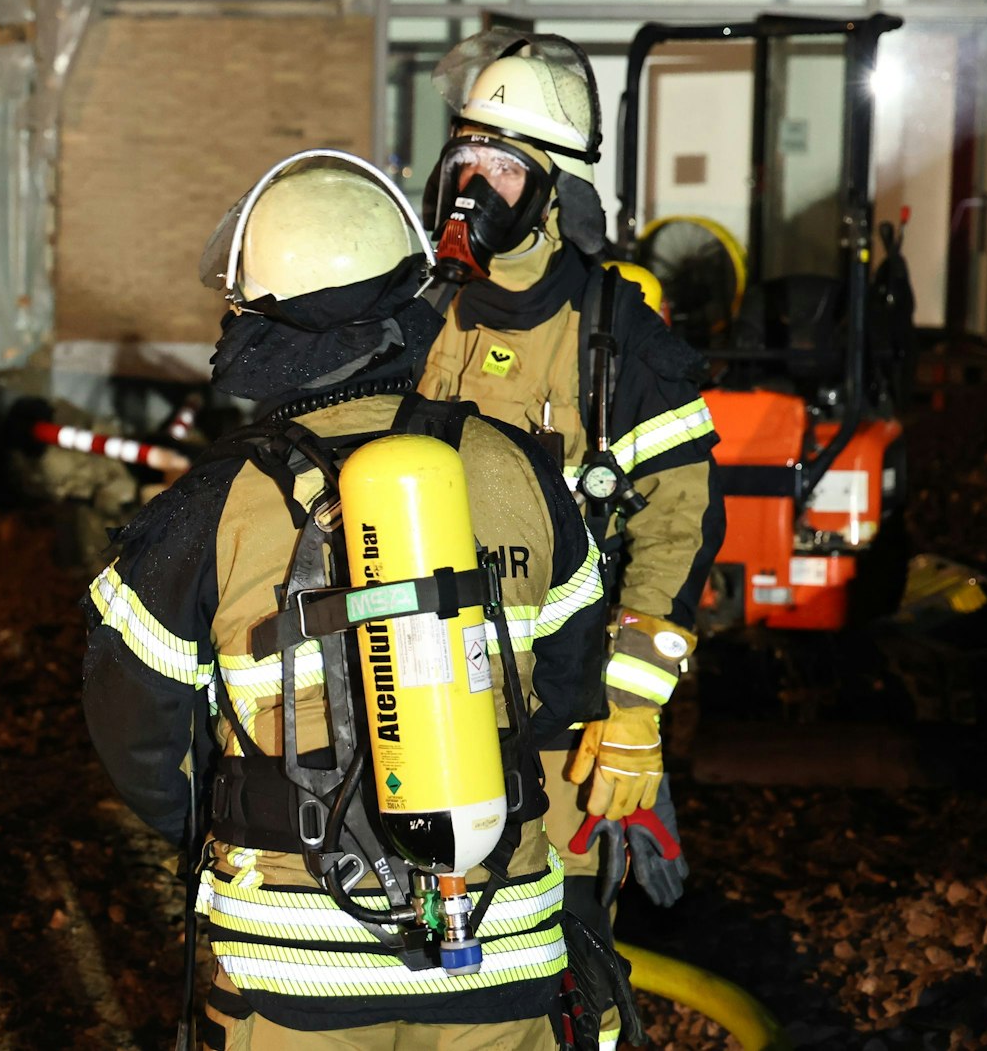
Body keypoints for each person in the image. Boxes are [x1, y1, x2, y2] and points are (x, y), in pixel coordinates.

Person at [84, 151, 614, 1049]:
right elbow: (569, 690)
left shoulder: (211, 504)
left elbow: (132, 728)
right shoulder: (522, 470)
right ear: (410, 299)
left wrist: (234, 814)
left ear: (259, 323)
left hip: (294, 957)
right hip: (499, 938)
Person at [416, 31, 724, 935]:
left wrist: (630, 711)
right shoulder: (412, 313)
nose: (471, 189)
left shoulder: (618, 338)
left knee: (554, 957)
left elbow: (677, 524)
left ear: (553, 192)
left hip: (556, 720)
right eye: (461, 159)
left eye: (500, 169)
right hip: (410, 700)